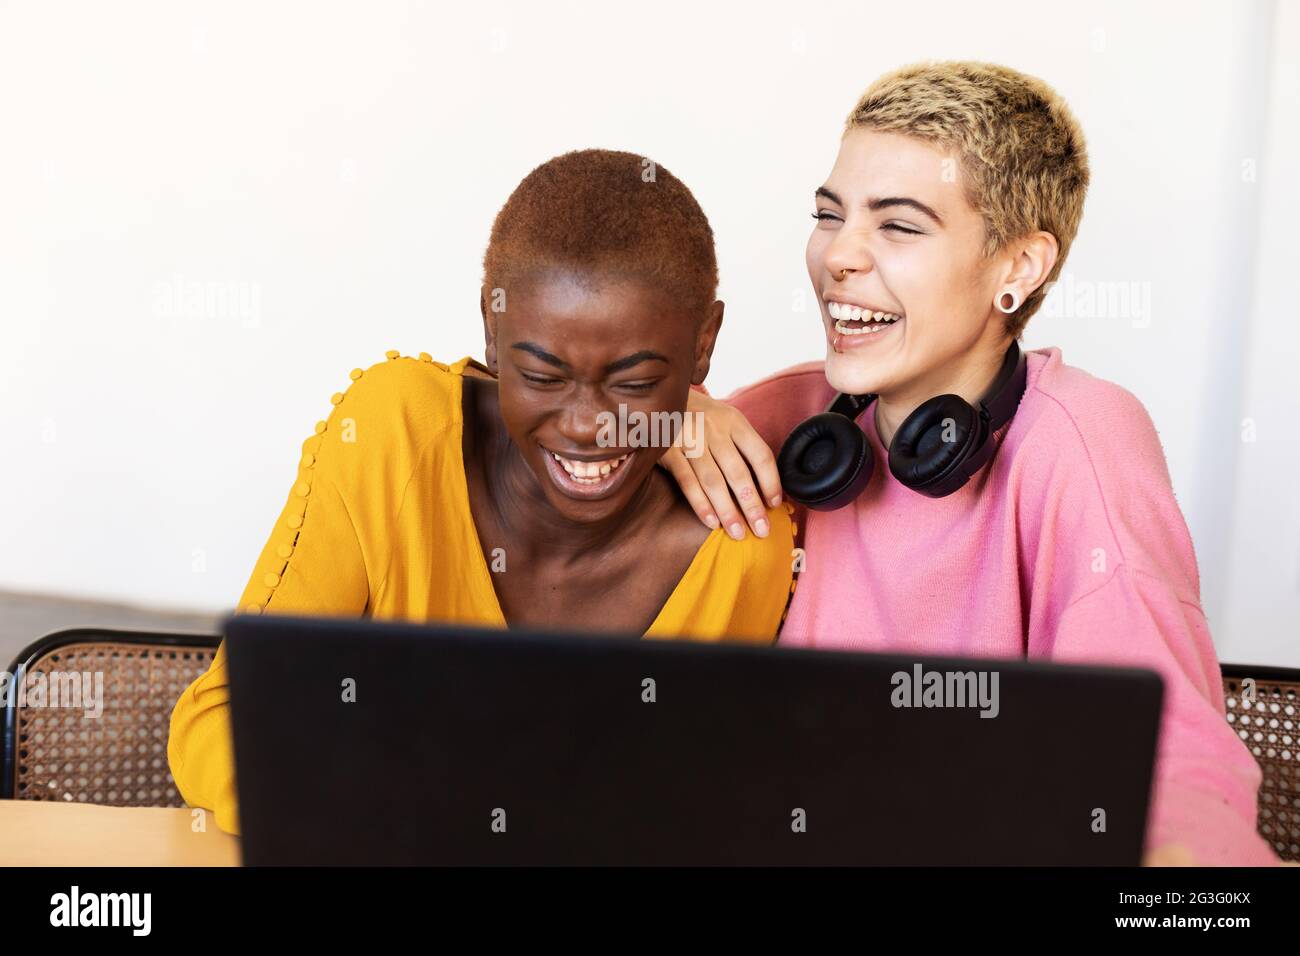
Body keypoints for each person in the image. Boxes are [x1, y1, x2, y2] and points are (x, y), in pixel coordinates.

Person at [661, 62, 1278, 866]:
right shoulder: (783, 420)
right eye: (829, 213)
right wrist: (657, 416)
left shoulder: (1081, 436)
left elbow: (1169, 757)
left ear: (1018, 268)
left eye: (900, 226)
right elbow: (529, 436)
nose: (838, 255)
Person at [168, 149, 795, 836]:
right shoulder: (392, 435)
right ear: (492, 334)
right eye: (545, 375)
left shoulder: (740, 544)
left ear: (704, 343)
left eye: (635, 381)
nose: (588, 426)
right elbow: (223, 721)